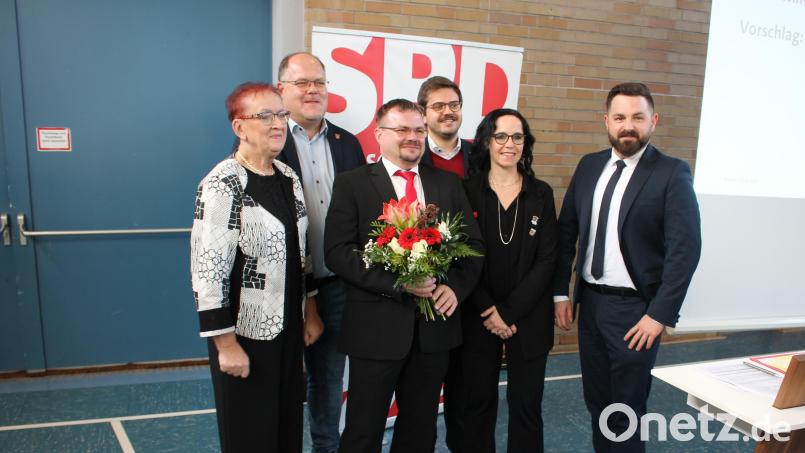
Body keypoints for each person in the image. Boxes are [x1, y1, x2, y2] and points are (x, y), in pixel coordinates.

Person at [324, 99, 484, 453]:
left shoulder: (448, 184)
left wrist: (454, 289)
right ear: (379, 134)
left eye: (418, 130)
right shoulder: (352, 184)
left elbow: (474, 246)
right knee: (363, 430)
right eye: (402, 130)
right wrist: (399, 284)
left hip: (434, 331)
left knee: (420, 429)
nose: (412, 137)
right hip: (374, 330)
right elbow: (336, 252)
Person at [553, 82, 701, 452]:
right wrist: (560, 293)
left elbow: (685, 250)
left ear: (654, 120)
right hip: (591, 306)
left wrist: (658, 315)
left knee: (626, 411)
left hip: (636, 312)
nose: (628, 125)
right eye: (620, 117)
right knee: (598, 404)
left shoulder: (671, 173)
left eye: (638, 117)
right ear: (606, 121)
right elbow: (565, 233)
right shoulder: (589, 166)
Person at [190, 82, 311, 453]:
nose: (277, 124)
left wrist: (311, 313)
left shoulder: (288, 178)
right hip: (245, 337)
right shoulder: (223, 183)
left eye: (281, 115)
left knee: (285, 429)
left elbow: (300, 253)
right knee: (250, 436)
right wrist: (225, 345)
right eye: (265, 116)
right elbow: (207, 270)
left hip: (288, 329)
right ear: (239, 127)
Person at [446, 108, 558, 453]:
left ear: (526, 143)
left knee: (527, 408)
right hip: (478, 317)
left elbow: (547, 260)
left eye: (518, 137)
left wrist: (508, 313)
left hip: (529, 317)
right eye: (501, 136)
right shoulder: (465, 191)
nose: (510, 144)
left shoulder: (541, 193)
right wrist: (490, 311)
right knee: (475, 406)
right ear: (487, 141)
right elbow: (459, 258)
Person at [276, 51, 365, 453]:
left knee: (329, 378)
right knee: (282, 378)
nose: (313, 91)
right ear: (282, 90)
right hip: (284, 289)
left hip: (338, 283)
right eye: (302, 83)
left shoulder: (348, 144)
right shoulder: (270, 140)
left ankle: (325, 448)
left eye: (319, 82)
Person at [417, 76, 472, 179]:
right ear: (423, 115)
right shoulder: (413, 156)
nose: (448, 112)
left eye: (454, 105)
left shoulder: (480, 155)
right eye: (438, 106)